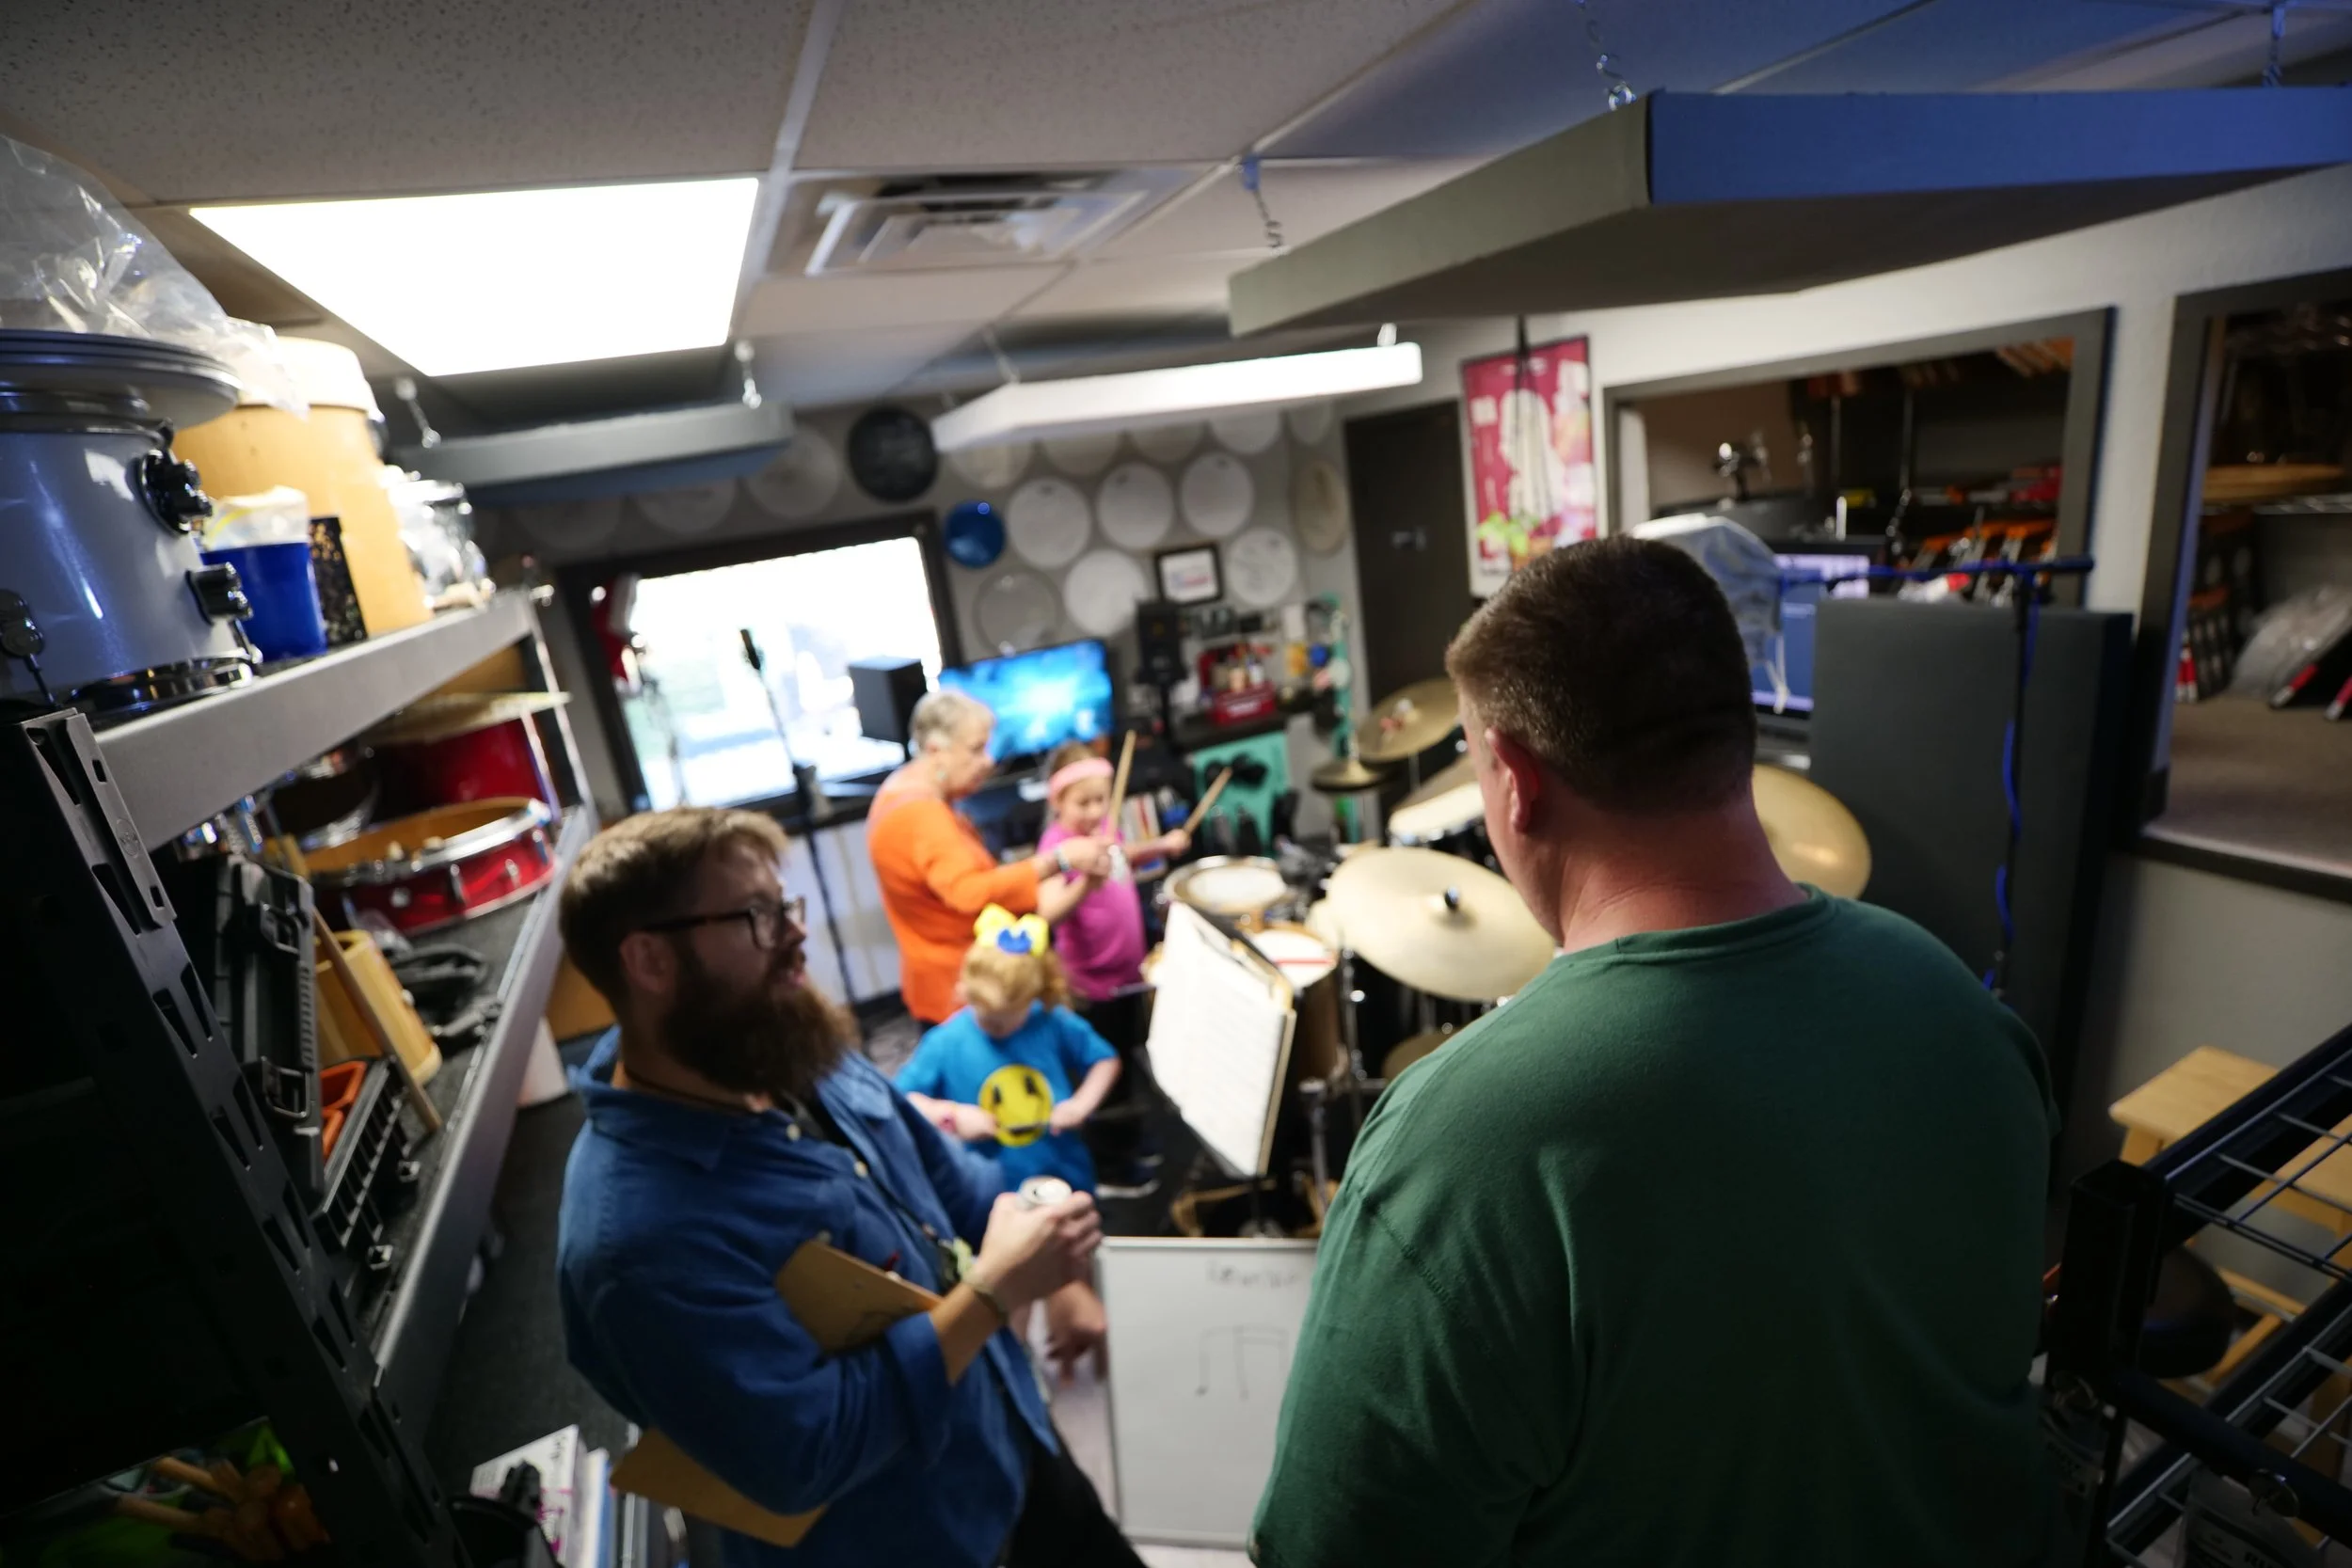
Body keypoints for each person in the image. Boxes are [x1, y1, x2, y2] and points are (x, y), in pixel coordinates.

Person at [1251, 537, 2061, 1567]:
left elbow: (1332, 1548)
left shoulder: (1459, 1144)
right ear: (1738, 732)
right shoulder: (1961, 1007)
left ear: (1511, 777)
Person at [553, 807, 1143, 1568]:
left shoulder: (790, 1049)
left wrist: (1049, 1259)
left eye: (784, 904)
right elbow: (808, 1449)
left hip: (1011, 1447)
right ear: (650, 961)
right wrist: (994, 1295)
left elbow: (953, 1184)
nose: (797, 933)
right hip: (916, 1540)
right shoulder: (633, 1242)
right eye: (757, 916)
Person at [896, 906, 1123, 1369]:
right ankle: (1020, 1374)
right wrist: (952, 1116)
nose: (994, 1026)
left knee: (1079, 1280)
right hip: (1000, 1202)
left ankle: (1089, 1363)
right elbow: (901, 1101)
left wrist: (1080, 1104)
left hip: (1065, 1181)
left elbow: (1105, 1060)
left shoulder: (1053, 1022)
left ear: (1035, 995)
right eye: (984, 1015)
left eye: (1005, 1018)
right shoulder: (946, 1042)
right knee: (1010, 1306)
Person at [869, 689, 1111, 1024]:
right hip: (962, 989)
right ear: (936, 751)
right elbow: (969, 892)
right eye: (976, 749)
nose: (988, 761)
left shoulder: (901, 790)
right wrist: (1059, 859)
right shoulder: (921, 814)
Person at [1037, 740, 1190, 1000]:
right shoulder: (1056, 846)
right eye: (1083, 803)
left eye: (1101, 799)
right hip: (1091, 986)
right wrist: (1086, 883)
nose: (1095, 811)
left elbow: (1121, 856)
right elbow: (1048, 912)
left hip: (1132, 967)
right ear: (1057, 801)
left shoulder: (1105, 826)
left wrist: (1161, 845)